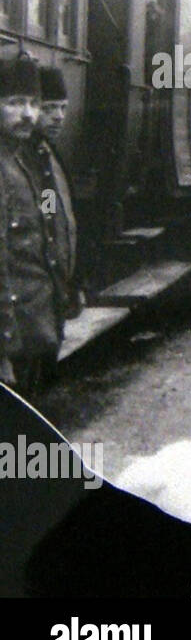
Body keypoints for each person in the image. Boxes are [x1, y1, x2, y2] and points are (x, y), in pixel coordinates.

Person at [0, 58, 62, 394]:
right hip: (14, 344)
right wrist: (2, 352)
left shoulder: (22, 160)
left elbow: (47, 231)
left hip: (35, 333)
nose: (28, 114)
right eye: (14, 103)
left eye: (34, 104)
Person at [31, 67, 79, 319]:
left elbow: (59, 224)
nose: (59, 117)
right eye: (48, 109)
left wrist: (72, 283)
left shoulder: (50, 153)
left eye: (62, 108)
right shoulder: (28, 160)